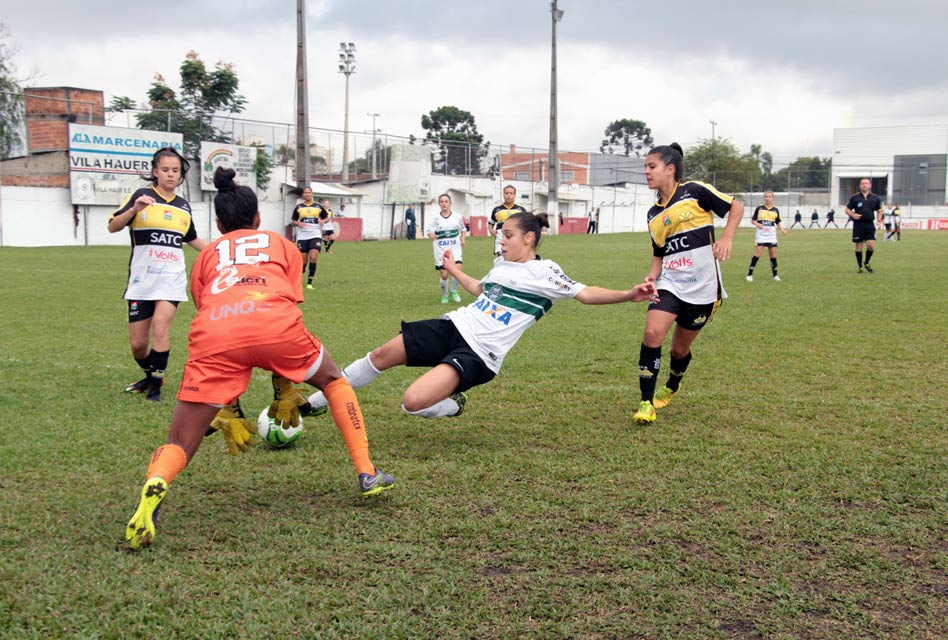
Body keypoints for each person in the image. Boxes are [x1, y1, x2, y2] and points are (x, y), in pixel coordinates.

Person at [124, 167, 394, 550]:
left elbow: (219, 316)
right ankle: (367, 472)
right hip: (275, 325)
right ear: (257, 219)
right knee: (334, 380)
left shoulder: (205, 258)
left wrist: (229, 405)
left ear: (218, 223)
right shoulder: (281, 245)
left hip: (214, 336)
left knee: (181, 440)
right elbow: (283, 308)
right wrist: (284, 389)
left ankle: (158, 482)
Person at [300, 211, 656, 422]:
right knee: (380, 355)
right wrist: (453, 269)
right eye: (501, 236)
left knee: (412, 403)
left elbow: (585, 293)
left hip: (479, 353)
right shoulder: (502, 264)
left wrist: (628, 295)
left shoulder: (545, 272)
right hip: (455, 324)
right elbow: (481, 290)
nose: (501, 242)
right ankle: (313, 404)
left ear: (529, 238)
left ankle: (453, 406)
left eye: (508, 236)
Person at [633, 143, 743, 425]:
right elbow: (659, 255)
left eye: (651, 166)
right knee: (652, 334)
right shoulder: (652, 214)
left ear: (670, 169)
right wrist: (650, 277)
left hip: (703, 288)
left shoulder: (694, 191)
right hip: (670, 283)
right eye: (645, 167)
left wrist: (727, 237)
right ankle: (646, 403)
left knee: (679, 350)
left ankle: (673, 382)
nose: (646, 171)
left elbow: (736, 206)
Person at [108, 147, 207, 402]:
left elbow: (191, 238)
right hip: (142, 280)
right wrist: (134, 210)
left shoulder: (184, 207)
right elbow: (113, 226)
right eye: (165, 170)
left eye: (175, 171)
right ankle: (152, 374)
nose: (171, 175)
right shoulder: (141, 196)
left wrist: (218, 252)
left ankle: (155, 390)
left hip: (171, 278)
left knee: (161, 328)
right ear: (155, 172)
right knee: (138, 345)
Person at [427, 193, 467, 304]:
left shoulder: (457, 216)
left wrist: (463, 239)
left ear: (450, 203)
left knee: (457, 271)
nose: (444, 204)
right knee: (444, 275)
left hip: (455, 248)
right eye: (442, 202)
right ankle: (444, 296)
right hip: (441, 249)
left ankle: (453, 291)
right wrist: (432, 236)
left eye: (446, 201)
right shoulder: (436, 218)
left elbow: (463, 229)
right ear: (439, 204)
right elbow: (429, 231)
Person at [746, 190, 788, 282]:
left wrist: (782, 229)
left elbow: (777, 221)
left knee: (773, 255)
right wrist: (759, 225)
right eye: (766, 197)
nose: (767, 198)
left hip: (772, 235)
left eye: (769, 197)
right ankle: (749, 274)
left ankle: (775, 275)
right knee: (757, 254)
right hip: (761, 235)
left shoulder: (776, 210)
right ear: (764, 198)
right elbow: (753, 220)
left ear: (772, 198)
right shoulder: (759, 208)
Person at [844, 178, 883, 273]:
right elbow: (847, 210)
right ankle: (860, 267)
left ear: (870, 185)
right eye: (862, 184)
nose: (864, 185)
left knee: (871, 245)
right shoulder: (855, 198)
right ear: (860, 186)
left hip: (869, 224)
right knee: (859, 246)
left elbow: (880, 210)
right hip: (858, 225)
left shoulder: (875, 198)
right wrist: (853, 215)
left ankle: (866, 262)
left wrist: (878, 221)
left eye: (866, 183)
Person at [290, 187, 322, 290]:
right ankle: (299, 276)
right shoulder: (298, 207)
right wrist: (298, 223)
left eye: (309, 193)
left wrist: (323, 221)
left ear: (312, 194)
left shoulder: (318, 206)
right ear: (303, 195)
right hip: (303, 236)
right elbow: (294, 220)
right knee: (302, 262)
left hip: (315, 235)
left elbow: (326, 217)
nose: (307, 194)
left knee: (313, 257)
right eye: (305, 193)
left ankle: (309, 283)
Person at [488, 185, 527, 257]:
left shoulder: (521, 210)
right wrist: (491, 230)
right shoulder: (497, 209)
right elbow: (491, 224)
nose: (509, 195)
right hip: (500, 240)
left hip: (516, 240)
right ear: (503, 194)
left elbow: (526, 225)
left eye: (511, 193)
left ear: (514, 195)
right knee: (500, 262)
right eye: (506, 193)